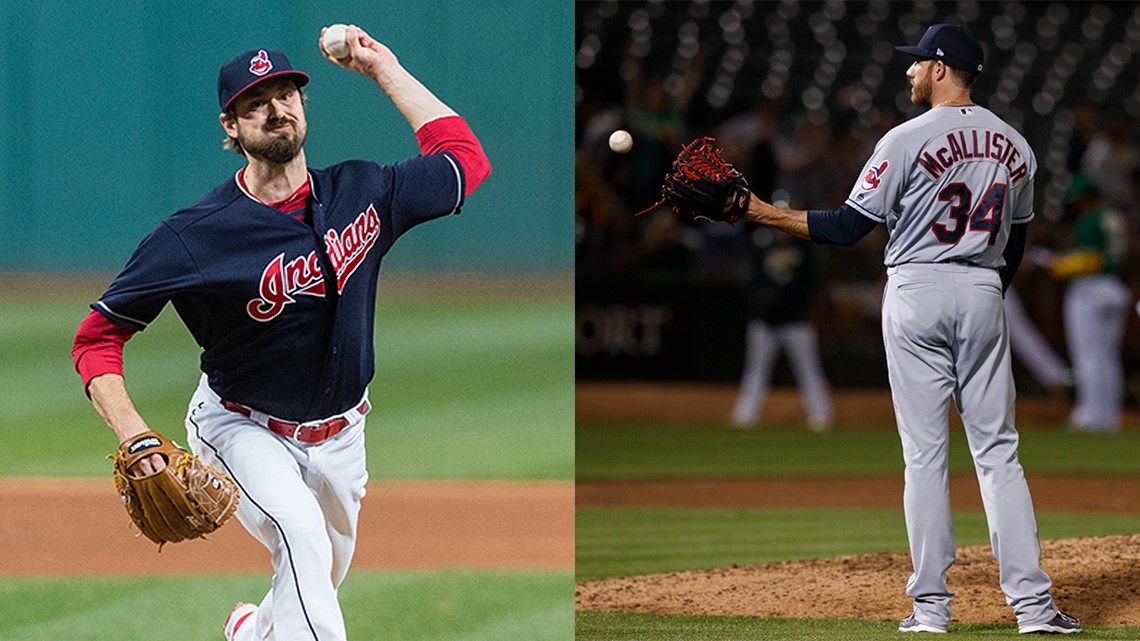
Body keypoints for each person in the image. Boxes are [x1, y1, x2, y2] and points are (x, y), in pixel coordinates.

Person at [71, 25, 490, 641]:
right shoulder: (194, 235)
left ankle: (250, 632)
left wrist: (384, 70)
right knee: (299, 536)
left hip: (344, 434)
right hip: (241, 426)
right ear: (231, 126)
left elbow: (465, 160)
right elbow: (96, 339)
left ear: (302, 104)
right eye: (255, 102)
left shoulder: (363, 189)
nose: (276, 109)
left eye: (287, 93)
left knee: (315, 573)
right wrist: (135, 436)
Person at [731, 24, 1080, 634]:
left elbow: (845, 228)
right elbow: (1016, 240)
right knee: (999, 454)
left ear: (943, 68)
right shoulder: (1016, 145)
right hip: (982, 287)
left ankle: (931, 610)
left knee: (924, 456)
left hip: (916, 286)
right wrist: (987, 291)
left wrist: (756, 210)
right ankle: (1033, 609)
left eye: (918, 63)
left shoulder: (905, 138)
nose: (910, 72)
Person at [1049, 173, 1131, 433]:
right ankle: (1109, 416)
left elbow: (1088, 258)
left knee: (1087, 355)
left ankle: (1089, 415)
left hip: (1090, 288)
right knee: (1107, 355)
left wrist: (1061, 264)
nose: (1077, 205)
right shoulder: (1114, 217)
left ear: (1088, 198)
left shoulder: (1090, 219)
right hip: (1115, 287)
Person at [729, 232, 832, 431]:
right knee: (756, 370)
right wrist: (762, 300)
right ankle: (745, 414)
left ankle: (821, 413)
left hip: (796, 320)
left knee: (808, 370)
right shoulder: (763, 245)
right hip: (765, 320)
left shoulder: (804, 248)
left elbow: (811, 284)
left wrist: (790, 302)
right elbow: (752, 280)